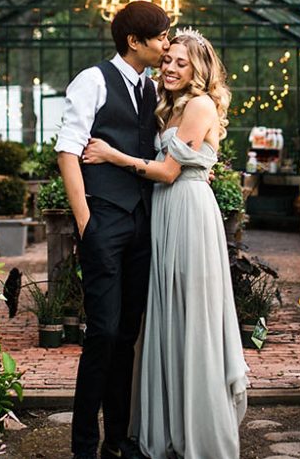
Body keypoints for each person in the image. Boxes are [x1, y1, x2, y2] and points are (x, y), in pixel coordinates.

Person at [82, 28, 249, 459]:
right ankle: (167, 422)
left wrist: (111, 155)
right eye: (168, 59)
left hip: (189, 213)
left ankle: (199, 428)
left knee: (191, 316)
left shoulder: (198, 104)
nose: (170, 67)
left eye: (181, 62)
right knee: (167, 316)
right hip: (163, 213)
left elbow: (169, 171)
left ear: (199, 67)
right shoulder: (166, 106)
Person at [55, 1, 172, 459]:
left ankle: (117, 442)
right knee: (101, 333)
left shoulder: (149, 88)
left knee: (127, 335)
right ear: (134, 42)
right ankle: (84, 445)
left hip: (142, 225)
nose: (166, 44)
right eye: (161, 36)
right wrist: (87, 224)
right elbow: (68, 152)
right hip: (104, 223)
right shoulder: (92, 80)